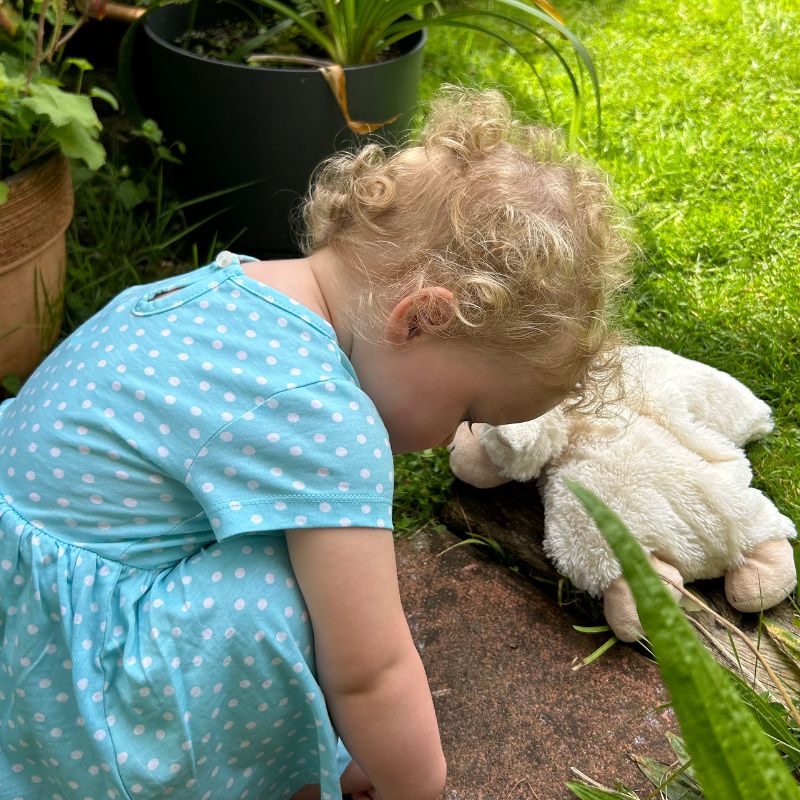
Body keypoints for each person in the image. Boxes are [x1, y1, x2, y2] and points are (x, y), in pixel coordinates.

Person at [0, 87, 631, 800]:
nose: (451, 440)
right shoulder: (323, 416)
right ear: (420, 319)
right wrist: (416, 783)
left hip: (18, 598)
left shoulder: (240, 282)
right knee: (295, 597)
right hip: (68, 683)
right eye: (469, 410)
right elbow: (372, 669)